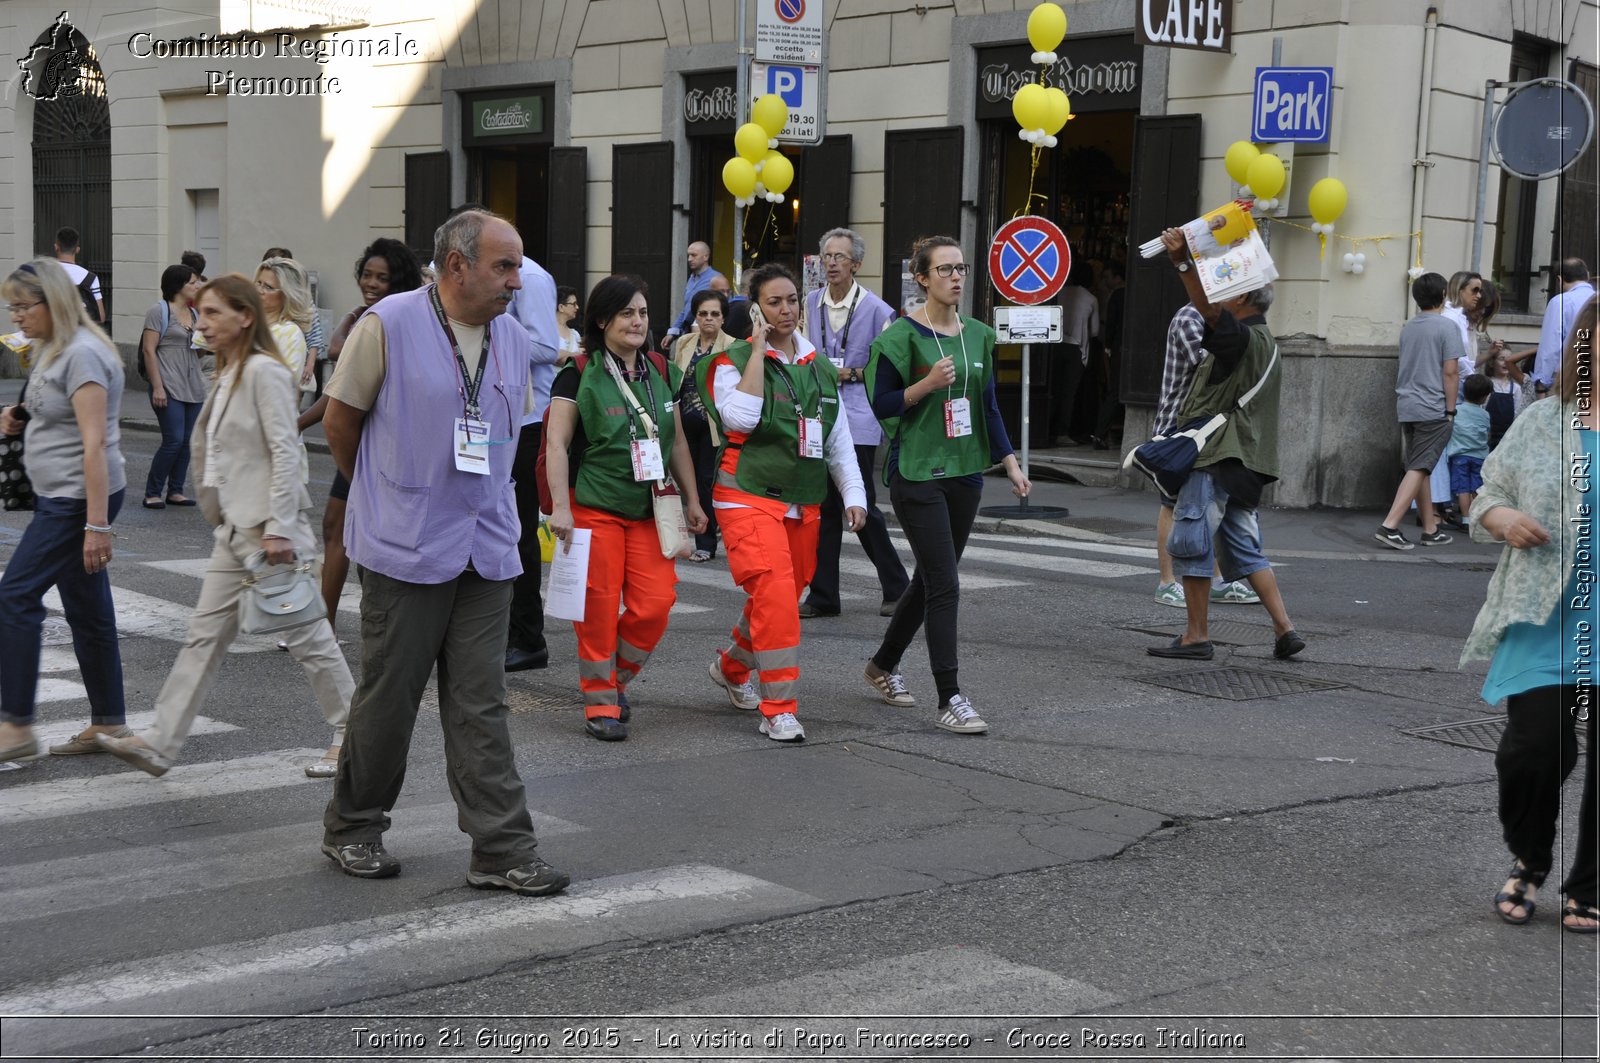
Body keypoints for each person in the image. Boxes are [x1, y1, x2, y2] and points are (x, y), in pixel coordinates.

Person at [318, 208, 569, 895]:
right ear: (457, 265)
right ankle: (353, 826)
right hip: (406, 544)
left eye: (518, 265)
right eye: (505, 265)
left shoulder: (512, 339)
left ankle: (501, 847)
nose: (518, 280)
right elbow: (341, 423)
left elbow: (502, 436)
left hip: (486, 544)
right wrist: (382, 489)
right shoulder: (389, 324)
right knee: (390, 698)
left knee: (481, 701)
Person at [98, 275, 351, 779]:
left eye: (213, 313)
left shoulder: (265, 373)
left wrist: (279, 526)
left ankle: (353, 737)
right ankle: (161, 744)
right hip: (236, 530)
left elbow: (286, 450)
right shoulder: (227, 372)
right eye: (200, 312)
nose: (202, 322)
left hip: (268, 532)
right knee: (202, 638)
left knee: (309, 639)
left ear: (245, 318)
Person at [1464, 295, 1598, 934]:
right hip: (1545, 619)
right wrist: (1501, 517)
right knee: (1531, 752)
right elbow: (1487, 493)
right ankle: (1530, 855)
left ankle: (1589, 883)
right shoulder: (1547, 420)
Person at [863, 236, 1030, 735]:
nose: (956, 277)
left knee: (931, 579)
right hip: (916, 473)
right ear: (922, 278)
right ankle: (950, 697)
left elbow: (989, 405)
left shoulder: (979, 334)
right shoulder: (898, 339)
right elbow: (883, 405)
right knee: (946, 585)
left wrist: (1010, 460)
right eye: (945, 270)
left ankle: (881, 667)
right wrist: (926, 385)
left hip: (965, 472)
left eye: (961, 269)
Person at [696, 262, 868, 743]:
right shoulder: (727, 364)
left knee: (781, 599)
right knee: (774, 595)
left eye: (792, 299)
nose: (786, 310)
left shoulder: (818, 366)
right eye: (773, 302)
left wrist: (853, 493)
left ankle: (730, 668)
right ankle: (778, 709)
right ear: (755, 309)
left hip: (802, 499)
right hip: (745, 493)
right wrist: (756, 349)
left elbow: (837, 438)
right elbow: (742, 420)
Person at [545, 275, 708, 741]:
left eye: (642, 313)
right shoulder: (578, 372)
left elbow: (676, 445)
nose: (638, 322)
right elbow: (557, 444)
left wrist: (693, 499)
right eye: (626, 314)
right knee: (597, 608)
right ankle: (600, 704)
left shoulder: (660, 370)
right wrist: (561, 508)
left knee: (656, 604)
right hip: (595, 506)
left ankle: (613, 682)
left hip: (650, 507)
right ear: (602, 320)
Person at [1146, 227, 1303, 663]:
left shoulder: (1240, 339)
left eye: (1230, 291)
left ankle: (1196, 635)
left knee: (1194, 538)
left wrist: (1182, 263)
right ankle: (1284, 628)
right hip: (1247, 463)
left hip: (1217, 457)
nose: (1222, 295)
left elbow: (1209, 313)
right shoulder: (1266, 342)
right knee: (1244, 546)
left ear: (1242, 302)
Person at [0, 259, 129, 762]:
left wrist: (97, 526)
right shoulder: (54, 348)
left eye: (22, 306)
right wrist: (16, 417)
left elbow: (94, 444)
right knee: (87, 608)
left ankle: (16, 727)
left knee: (14, 596)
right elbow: (54, 412)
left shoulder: (83, 354)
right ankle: (110, 723)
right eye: (12, 306)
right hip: (61, 496)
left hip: (77, 500)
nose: (15, 316)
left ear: (52, 304)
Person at [299, 237, 424, 625]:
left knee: (376, 537)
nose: (370, 283)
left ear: (398, 282)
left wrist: (351, 317)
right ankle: (323, 623)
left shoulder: (393, 319)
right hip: (356, 440)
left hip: (388, 447)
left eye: (381, 278)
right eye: (366, 275)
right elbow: (340, 394)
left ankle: (387, 621)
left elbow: (337, 356)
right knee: (336, 527)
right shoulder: (371, 315)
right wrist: (296, 425)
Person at [797, 227, 908, 620]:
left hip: (859, 414)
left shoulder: (879, 310)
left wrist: (855, 373)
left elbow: (894, 364)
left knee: (859, 502)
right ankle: (824, 594)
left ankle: (898, 586)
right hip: (816, 412)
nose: (830, 263)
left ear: (856, 264)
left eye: (839, 257)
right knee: (822, 504)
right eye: (826, 256)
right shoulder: (809, 303)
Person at [1151, 302, 1259, 609]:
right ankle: (1167, 582)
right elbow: (1211, 367)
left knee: (1210, 502)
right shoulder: (1188, 317)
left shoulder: (1225, 321)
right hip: (1177, 426)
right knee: (1172, 503)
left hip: (1209, 425)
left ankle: (1216, 580)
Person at [501, 224, 561, 674]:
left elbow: (545, 345)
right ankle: (502, 630)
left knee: (520, 532)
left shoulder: (532, 278)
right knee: (496, 526)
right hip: (496, 416)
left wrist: (491, 328)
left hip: (527, 420)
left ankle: (528, 638)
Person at [1375, 272, 1459, 550]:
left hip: (1407, 404)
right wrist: (1450, 410)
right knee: (1421, 465)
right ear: (1444, 294)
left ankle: (1430, 529)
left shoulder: (1409, 327)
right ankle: (1390, 525)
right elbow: (1450, 372)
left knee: (1419, 465)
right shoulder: (1447, 327)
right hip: (1433, 406)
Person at [672, 287, 733, 562]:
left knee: (708, 480)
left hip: (713, 424)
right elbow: (676, 380)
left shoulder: (732, 346)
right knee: (689, 482)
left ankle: (708, 542)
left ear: (723, 318)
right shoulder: (685, 342)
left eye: (714, 314)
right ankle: (698, 533)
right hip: (683, 424)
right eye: (703, 314)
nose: (708, 319)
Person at [140, 264, 207, 510]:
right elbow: (149, 350)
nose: (197, 286)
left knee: (188, 440)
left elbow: (199, 351)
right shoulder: (159, 311)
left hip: (193, 383)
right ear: (178, 286)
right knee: (173, 439)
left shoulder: (196, 314)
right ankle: (153, 492)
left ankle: (176, 490)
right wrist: (157, 386)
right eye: (193, 282)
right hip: (168, 383)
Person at [1509, 258, 1595, 395]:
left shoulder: (1560, 302)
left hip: (1568, 380)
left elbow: (1551, 346)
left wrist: (1541, 384)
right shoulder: (1596, 300)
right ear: (1588, 276)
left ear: (1560, 280)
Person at [1054, 261, 1099, 445]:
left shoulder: (1060, 293)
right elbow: (1095, 330)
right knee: (1069, 393)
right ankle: (1062, 432)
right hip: (1075, 348)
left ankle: (1047, 429)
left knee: (1055, 390)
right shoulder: (1091, 299)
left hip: (1054, 345)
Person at [1446, 374, 1491, 518]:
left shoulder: (1456, 411)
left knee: (1462, 489)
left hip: (1459, 456)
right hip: (1480, 456)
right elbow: (1487, 434)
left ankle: (1466, 518)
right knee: (1476, 488)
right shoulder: (1485, 414)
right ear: (1484, 397)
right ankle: (1477, 517)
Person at [664, 240, 724, 343]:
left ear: (706, 257)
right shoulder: (692, 279)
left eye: (693, 255)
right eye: (688, 255)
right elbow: (687, 309)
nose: (689, 259)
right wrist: (672, 332)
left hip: (707, 337)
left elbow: (725, 309)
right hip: (689, 335)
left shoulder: (716, 279)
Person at [52, 226, 105, 323]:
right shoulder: (91, 278)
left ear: (56, 247)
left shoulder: (44, 274)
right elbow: (100, 317)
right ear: (77, 250)